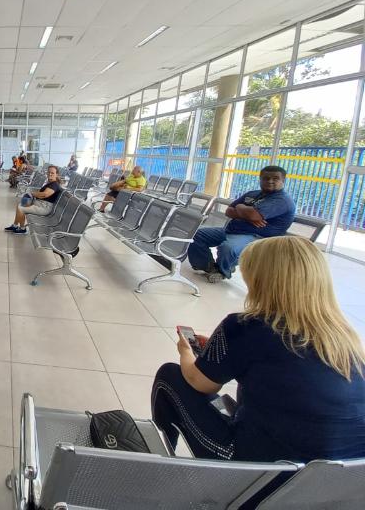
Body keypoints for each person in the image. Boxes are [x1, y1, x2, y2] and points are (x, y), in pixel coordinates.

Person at [151, 236, 365, 463]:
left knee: (171, 376)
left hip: (261, 471)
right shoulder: (343, 337)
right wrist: (218, 351)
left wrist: (186, 351)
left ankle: (158, 463)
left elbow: (199, 382)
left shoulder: (247, 325)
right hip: (339, 478)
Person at [188, 166, 295, 283]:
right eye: (266, 178)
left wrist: (240, 208)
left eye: (275, 178)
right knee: (196, 235)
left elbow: (254, 215)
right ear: (260, 179)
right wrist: (245, 212)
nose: (270, 181)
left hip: (256, 237)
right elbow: (229, 211)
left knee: (228, 248)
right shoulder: (253, 194)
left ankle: (222, 271)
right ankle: (208, 266)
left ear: (283, 181)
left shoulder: (282, 200)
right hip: (232, 230)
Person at [5, 165, 62, 234]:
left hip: (44, 208)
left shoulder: (54, 185)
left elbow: (45, 194)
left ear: (57, 174)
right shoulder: (51, 183)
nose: (50, 174)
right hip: (40, 204)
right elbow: (43, 195)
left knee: (21, 208)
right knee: (19, 205)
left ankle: (22, 229)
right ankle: (15, 225)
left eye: (52, 173)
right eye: (49, 172)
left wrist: (32, 193)